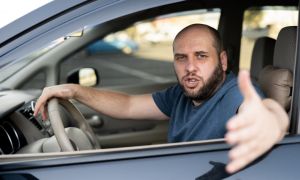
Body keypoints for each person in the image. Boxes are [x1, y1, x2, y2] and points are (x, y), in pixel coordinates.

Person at [34, 24, 288, 173]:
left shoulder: (240, 94)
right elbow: (128, 105)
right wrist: (74, 91)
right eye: (181, 58)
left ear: (222, 60)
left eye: (201, 56)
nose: (190, 67)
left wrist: (273, 122)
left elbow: (265, 112)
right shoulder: (181, 94)